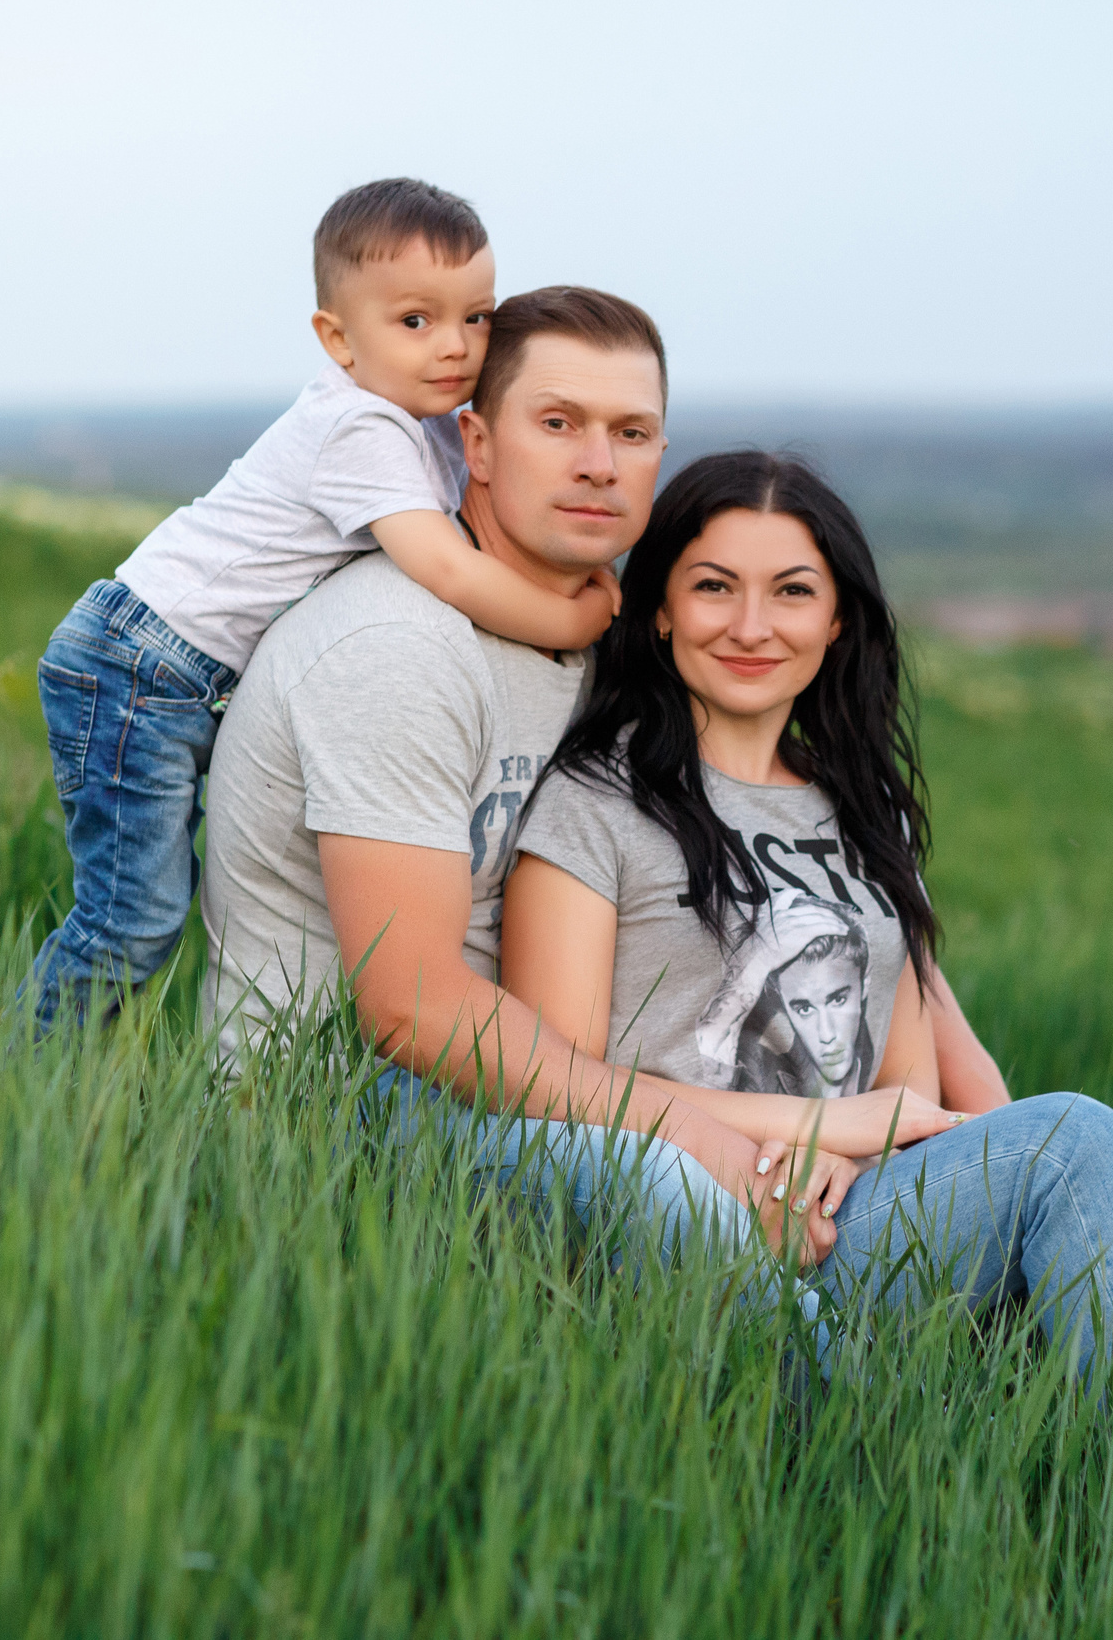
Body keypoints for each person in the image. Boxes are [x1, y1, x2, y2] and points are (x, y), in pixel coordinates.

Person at [501, 450, 1113, 1466]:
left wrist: (854, 1144)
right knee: (1068, 1136)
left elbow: (905, 1087)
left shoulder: (861, 807)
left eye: (791, 592)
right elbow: (551, 1083)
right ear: (658, 610)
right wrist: (813, 1129)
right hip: (713, 1223)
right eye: (713, 587)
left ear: (836, 619)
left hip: (851, 1212)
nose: (751, 626)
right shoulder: (595, 805)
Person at [197, 286, 963, 1266]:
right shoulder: (399, 648)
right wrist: (693, 1130)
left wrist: (958, 1122)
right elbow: (412, 1010)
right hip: (337, 1109)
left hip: (533, 1090)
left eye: (632, 432)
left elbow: (854, 909)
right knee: (670, 1186)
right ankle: (828, 1404)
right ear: (475, 445)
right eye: (557, 424)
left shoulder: (601, 644)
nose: (598, 463)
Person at [24, 178, 619, 1031]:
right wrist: (575, 621)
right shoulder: (360, 429)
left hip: (175, 668)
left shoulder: (419, 424)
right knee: (134, 918)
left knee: (156, 906)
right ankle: (29, 1078)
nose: (454, 346)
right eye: (415, 321)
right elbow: (447, 570)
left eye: (477, 317)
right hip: (139, 665)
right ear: (337, 339)